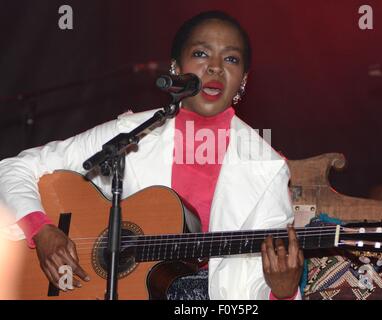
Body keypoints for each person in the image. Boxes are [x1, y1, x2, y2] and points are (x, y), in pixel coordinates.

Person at [0, 11, 303, 300]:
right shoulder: (131, 134)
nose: (214, 67)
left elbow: (251, 288)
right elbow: (15, 168)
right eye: (201, 53)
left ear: (243, 80)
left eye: (231, 59)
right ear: (175, 68)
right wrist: (41, 230)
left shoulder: (266, 168)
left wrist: (282, 291)